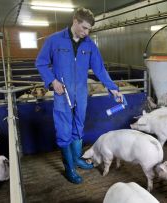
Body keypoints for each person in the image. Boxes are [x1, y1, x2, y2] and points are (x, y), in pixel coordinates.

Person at [35, 7, 123, 184]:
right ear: (75, 22)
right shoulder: (54, 40)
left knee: (79, 126)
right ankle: (69, 169)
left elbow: (99, 68)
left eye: (89, 29)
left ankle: (76, 159)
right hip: (63, 93)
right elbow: (41, 63)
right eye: (84, 28)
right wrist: (52, 81)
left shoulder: (89, 44)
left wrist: (113, 88)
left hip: (81, 93)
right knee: (64, 131)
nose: (86, 32)